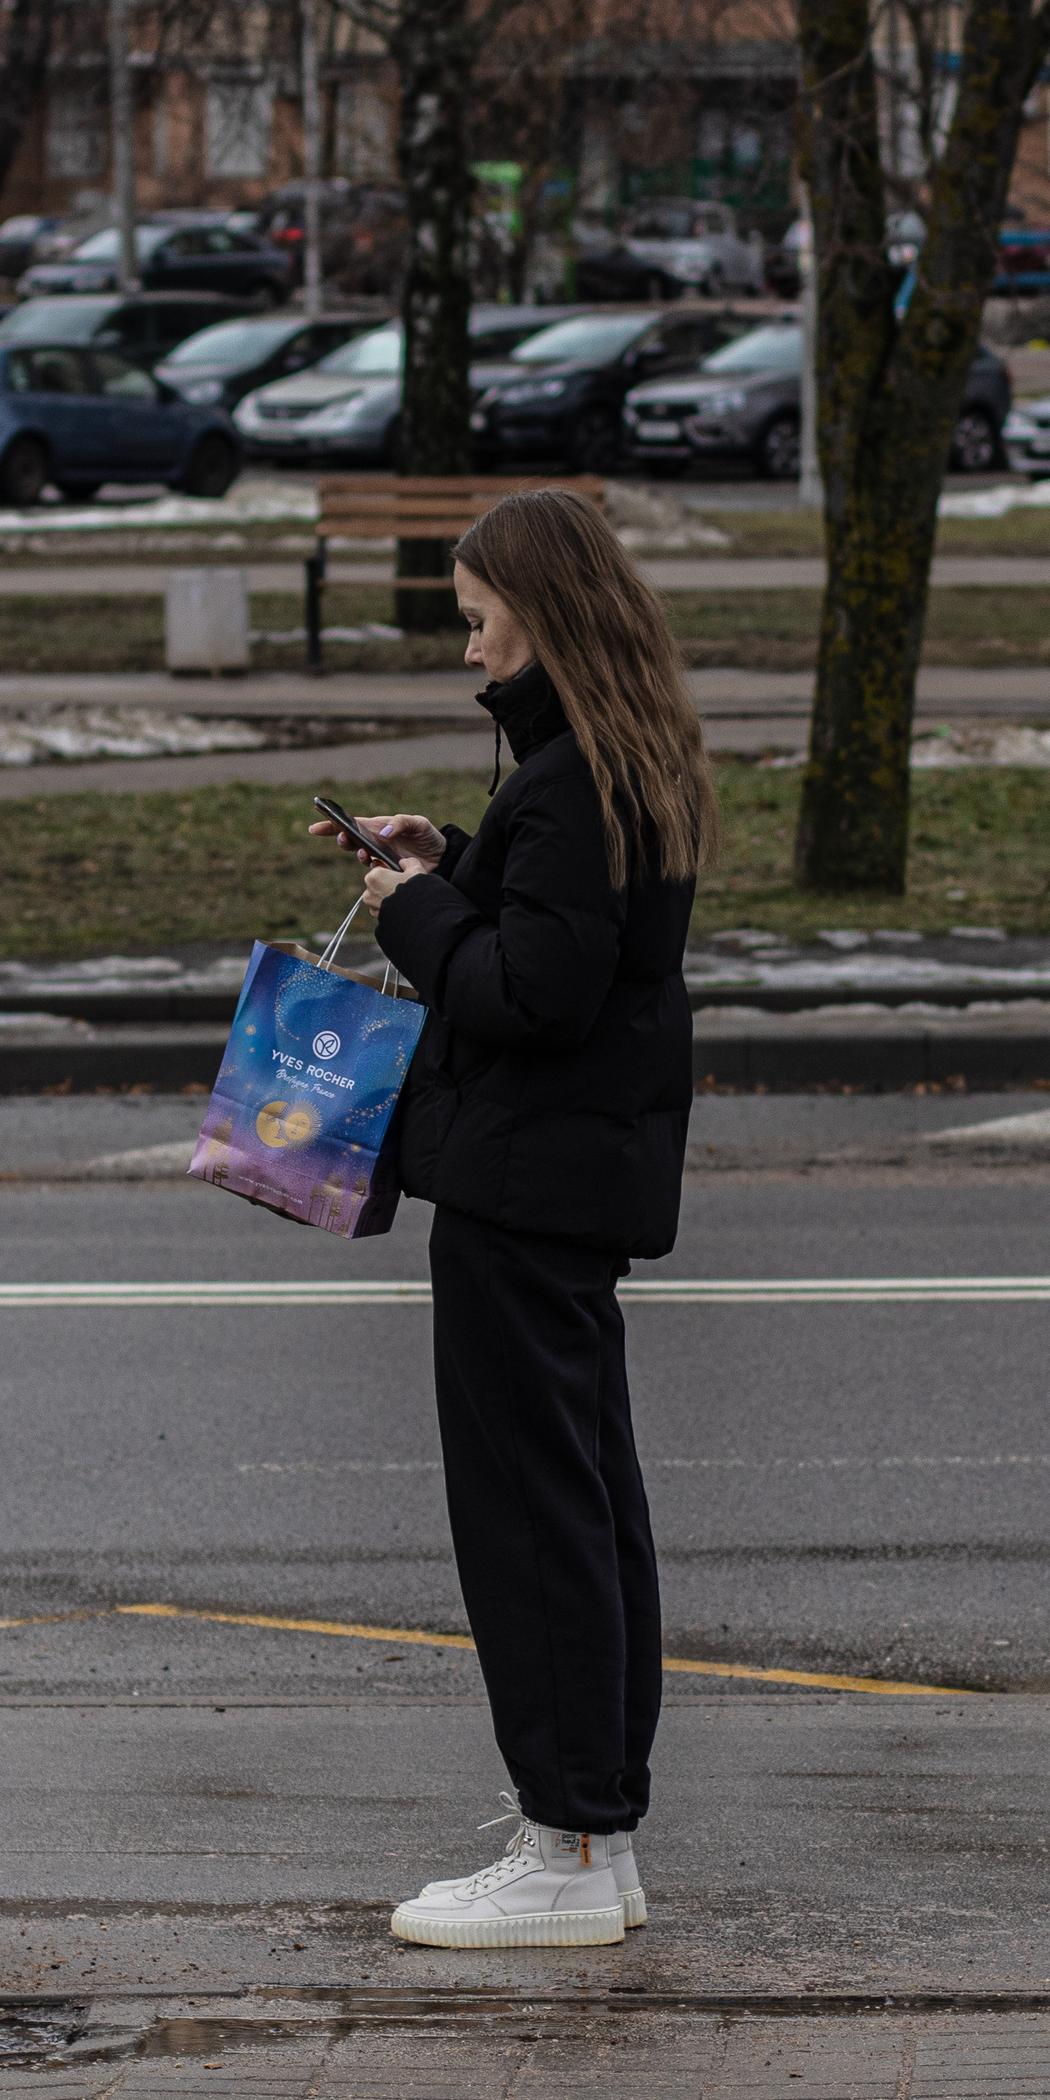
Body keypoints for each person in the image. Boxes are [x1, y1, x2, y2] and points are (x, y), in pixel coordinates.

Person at [308, 488, 718, 1950]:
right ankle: (595, 1837)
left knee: (529, 1520)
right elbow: (565, 931)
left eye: (480, 618)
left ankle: (565, 1849)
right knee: (583, 1504)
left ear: (542, 612)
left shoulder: (569, 783)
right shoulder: (617, 759)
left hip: (521, 1190)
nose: (470, 647)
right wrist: (454, 860)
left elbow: (529, 993)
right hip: (566, 1188)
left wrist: (416, 910)